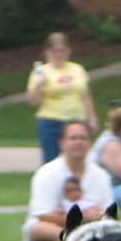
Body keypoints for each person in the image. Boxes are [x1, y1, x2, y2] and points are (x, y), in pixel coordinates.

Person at [23, 120, 113, 241]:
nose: (78, 142)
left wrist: (97, 217)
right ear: (61, 143)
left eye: (83, 138)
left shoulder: (101, 175)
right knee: (40, 229)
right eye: (73, 138)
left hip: (93, 226)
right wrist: (81, 216)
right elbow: (43, 215)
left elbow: (109, 212)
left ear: (89, 143)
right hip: (56, 227)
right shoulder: (47, 173)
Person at [25, 32, 97, 164]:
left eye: (62, 50)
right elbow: (33, 101)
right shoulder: (41, 71)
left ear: (68, 51)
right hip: (51, 121)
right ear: (47, 52)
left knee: (78, 160)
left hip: (76, 120)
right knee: (51, 161)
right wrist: (38, 85)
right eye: (54, 51)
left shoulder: (77, 69)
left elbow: (86, 97)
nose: (58, 54)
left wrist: (91, 118)